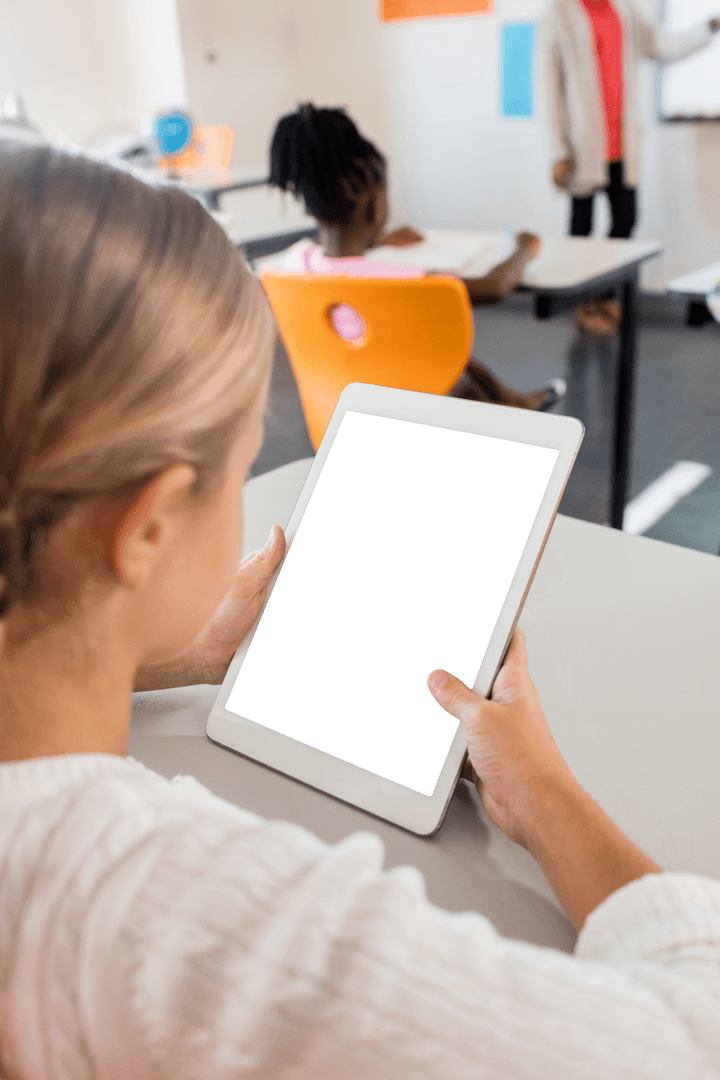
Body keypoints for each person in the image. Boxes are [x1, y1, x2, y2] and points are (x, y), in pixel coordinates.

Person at [1, 141, 720, 1080]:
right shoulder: (173, 919)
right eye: (240, 466)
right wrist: (544, 796)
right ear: (144, 531)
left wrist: (165, 657)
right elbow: (688, 1042)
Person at [268, 103, 565, 412]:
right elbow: (494, 286)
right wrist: (524, 248)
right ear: (370, 201)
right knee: (440, 355)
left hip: (338, 407)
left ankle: (516, 403)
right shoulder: (400, 280)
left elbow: (335, 258)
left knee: (435, 352)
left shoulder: (292, 264)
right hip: (410, 412)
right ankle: (513, 420)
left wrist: (377, 239)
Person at [545, 0, 720, 335]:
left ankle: (604, 298)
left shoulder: (622, 9)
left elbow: (661, 44)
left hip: (622, 141)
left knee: (625, 220)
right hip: (583, 145)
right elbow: (549, 88)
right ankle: (584, 304)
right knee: (581, 229)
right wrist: (557, 150)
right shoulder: (558, 13)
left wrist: (708, 27)